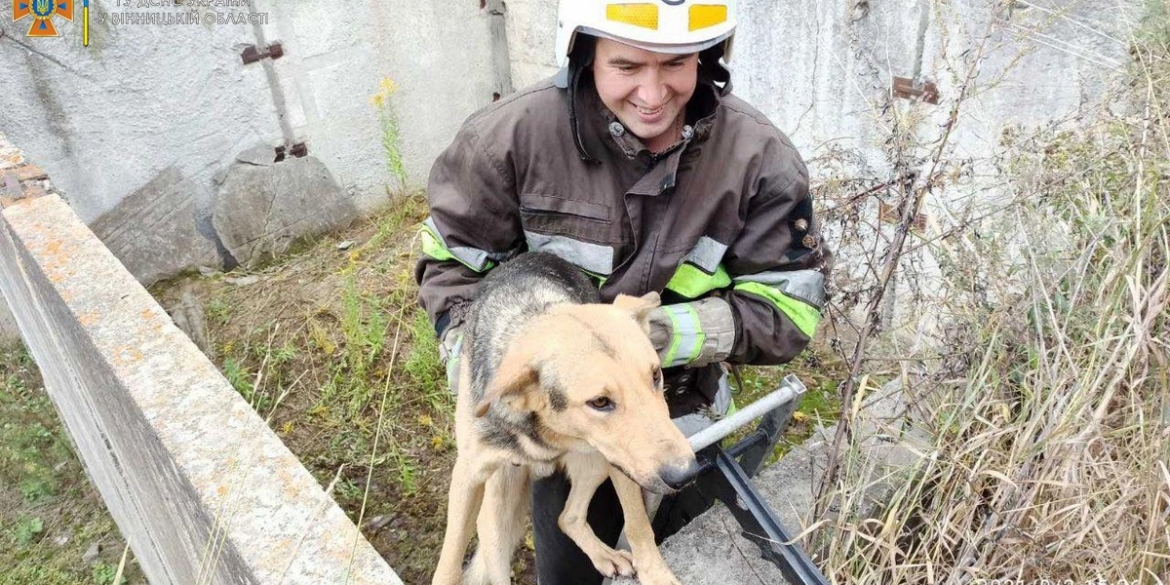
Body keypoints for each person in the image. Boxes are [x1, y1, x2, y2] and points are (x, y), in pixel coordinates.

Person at [415, 0, 831, 582]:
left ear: (708, 57)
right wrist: (485, 362)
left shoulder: (760, 161)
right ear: (584, 53)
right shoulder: (507, 139)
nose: (654, 93)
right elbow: (449, 263)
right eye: (627, 66)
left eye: (677, 64)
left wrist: (654, 340)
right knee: (567, 573)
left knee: (697, 541)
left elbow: (787, 311)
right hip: (568, 412)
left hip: (687, 403)